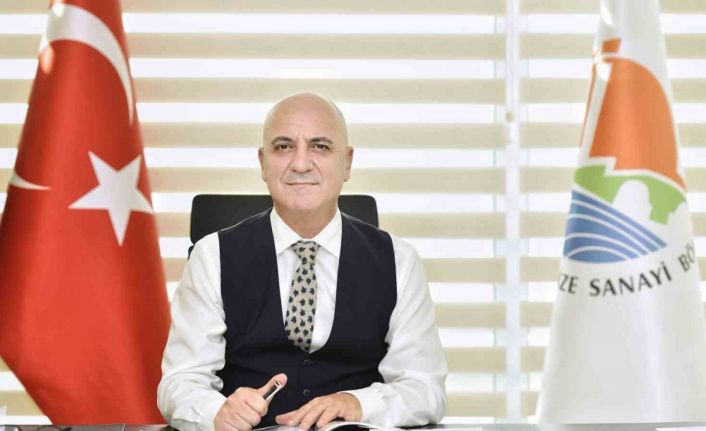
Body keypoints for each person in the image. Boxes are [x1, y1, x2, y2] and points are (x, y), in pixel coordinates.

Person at [157, 93, 447, 431]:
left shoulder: (399, 261)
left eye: (320, 146)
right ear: (263, 163)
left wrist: (359, 403)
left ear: (347, 163)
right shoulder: (212, 257)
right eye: (283, 147)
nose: (300, 164)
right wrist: (216, 412)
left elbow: (425, 389)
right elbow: (180, 382)